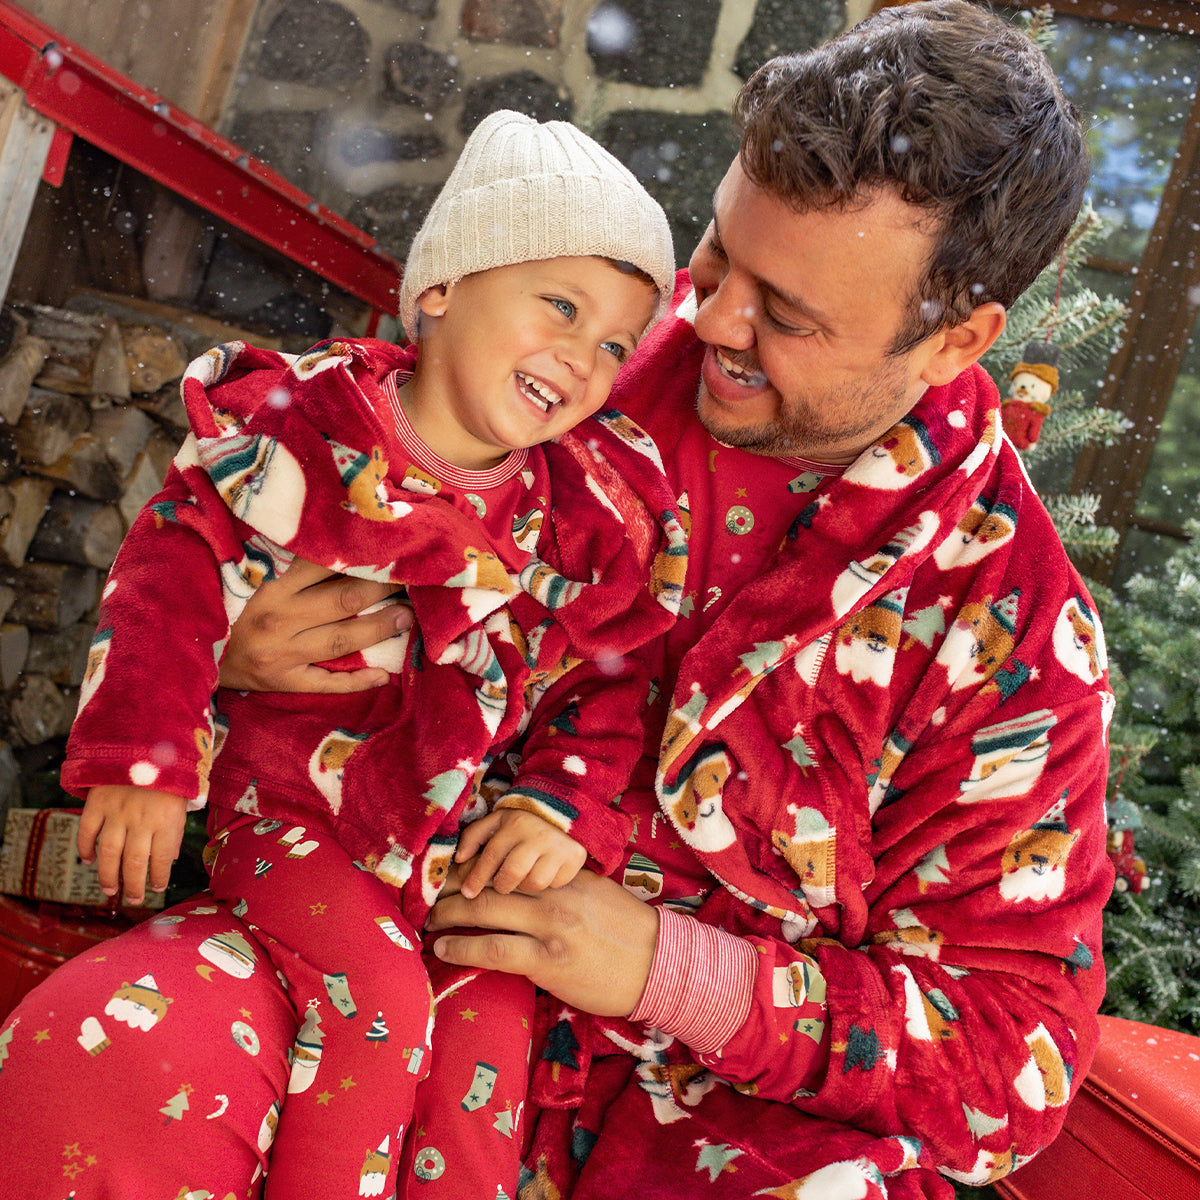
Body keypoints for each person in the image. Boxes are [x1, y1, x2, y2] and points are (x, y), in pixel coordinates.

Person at [0, 4, 1115, 1198]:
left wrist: (671, 971)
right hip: (367, 925)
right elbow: (294, 494)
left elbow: (1018, 1063)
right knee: (106, 1051)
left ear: (960, 342)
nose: (714, 323)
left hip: (701, 1130)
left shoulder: (1010, 635)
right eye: (720, 259)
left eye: (786, 315)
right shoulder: (576, 355)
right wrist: (229, 650)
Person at [38, 110, 683, 1200]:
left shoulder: (579, 509)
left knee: (489, 1025)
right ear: (442, 288)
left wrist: (557, 808)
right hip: (294, 814)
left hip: (456, 837)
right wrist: (142, 761)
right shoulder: (312, 432)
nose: (584, 358)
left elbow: (609, 679)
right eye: (561, 307)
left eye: (616, 343)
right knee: (376, 1005)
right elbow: (172, 572)